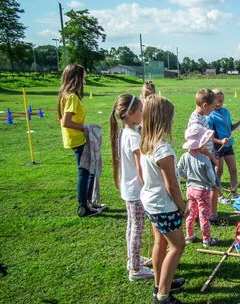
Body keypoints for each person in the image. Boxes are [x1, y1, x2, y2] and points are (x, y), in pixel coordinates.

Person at [140, 95, 187, 304]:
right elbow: (172, 186)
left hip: (151, 202)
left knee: (160, 241)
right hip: (164, 205)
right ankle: (162, 296)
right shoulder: (163, 149)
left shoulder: (146, 143)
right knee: (177, 246)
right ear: (164, 119)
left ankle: (160, 284)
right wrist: (182, 206)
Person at [109, 94, 154, 281]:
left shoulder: (126, 133)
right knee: (137, 228)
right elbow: (141, 168)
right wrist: (147, 188)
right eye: (140, 110)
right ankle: (135, 269)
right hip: (136, 191)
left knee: (131, 226)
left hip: (128, 190)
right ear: (129, 114)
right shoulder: (133, 137)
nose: (143, 113)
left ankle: (132, 260)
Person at [57, 64, 102, 217]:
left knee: (87, 171)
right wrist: (86, 127)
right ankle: (83, 207)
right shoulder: (72, 97)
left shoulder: (68, 95)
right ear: (76, 78)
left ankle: (88, 203)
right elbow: (66, 122)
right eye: (83, 77)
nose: (85, 80)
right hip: (77, 140)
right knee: (84, 172)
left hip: (76, 138)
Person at [188, 89, 226, 226]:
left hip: (205, 157)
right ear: (205, 105)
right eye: (212, 106)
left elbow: (207, 138)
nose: (214, 108)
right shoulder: (196, 123)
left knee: (204, 188)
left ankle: (199, 214)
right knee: (214, 187)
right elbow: (200, 147)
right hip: (203, 159)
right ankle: (212, 216)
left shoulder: (200, 117)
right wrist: (213, 158)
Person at [177, 125, 219, 247]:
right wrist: (213, 184)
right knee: (204, 215)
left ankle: (189, 236)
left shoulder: (185, 156)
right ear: (200, 144)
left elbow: (178, 170)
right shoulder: (204, 159)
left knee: (191, 213)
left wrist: (186, 176)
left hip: (190, 190)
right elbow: (211, 176)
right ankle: (207, 239)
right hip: (203, 191)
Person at [207, 89, 240, 202]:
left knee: (233, 170)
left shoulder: (225, 111)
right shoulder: (210, 115)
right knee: (219, 171)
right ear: (213, 100)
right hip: (217, 147)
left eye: (222, 99)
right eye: (218, 99)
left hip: (228, 146)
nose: (220, 102)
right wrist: (220, 141)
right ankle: (219, 195)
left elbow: (231, 128)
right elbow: (208, 136)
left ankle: (235, 194)